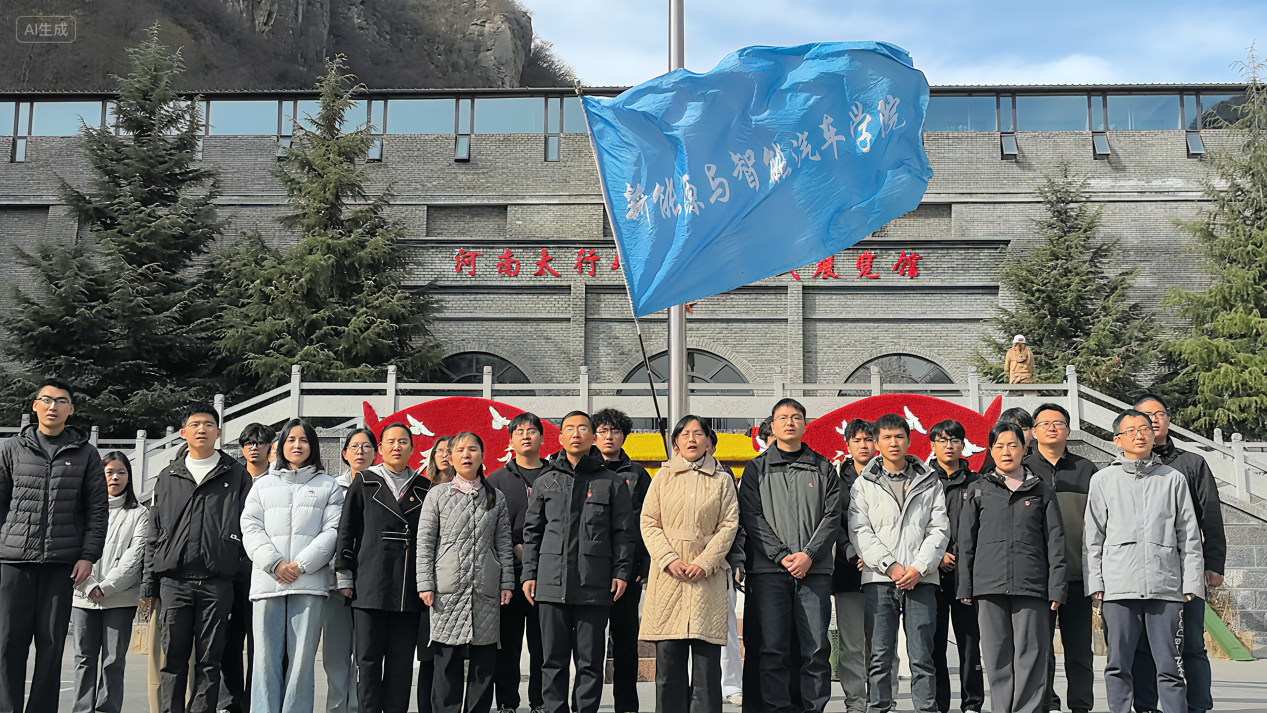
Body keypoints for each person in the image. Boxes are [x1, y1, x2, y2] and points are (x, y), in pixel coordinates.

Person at [1085, 409, 1205, 713]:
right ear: (1117, 440)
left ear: (1154, 436)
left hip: (1165, 587)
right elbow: (1093, 537)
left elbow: (1189, 535)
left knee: (1170, 666)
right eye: (1131, 431)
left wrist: (1191, 582)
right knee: (1118, 664)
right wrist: (1095, 582)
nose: (1139, 435)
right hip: (1118, 588)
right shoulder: (1103, 480)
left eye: (1145, 429)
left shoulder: (1173, 479)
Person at [0, 378, 108, 713]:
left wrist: (88, 555)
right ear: (35, 406)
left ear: (70, 409)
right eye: (46, 399)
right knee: (7, 643)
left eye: (61, 401)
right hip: (13, 562)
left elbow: (97, 508)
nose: (53, 406)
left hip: (62, 564)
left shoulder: (86, 453)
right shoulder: (11, 449)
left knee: (51, 646)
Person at [141, 402, 253, 713]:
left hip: (218, 582)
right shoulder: (168, 476)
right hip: (174, 582)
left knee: (209, 661)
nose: (201, 429)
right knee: (173, 660)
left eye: (208, 424)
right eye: (194, 424)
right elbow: (154, 532)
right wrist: (149, 583)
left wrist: (238, 567)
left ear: (219, 432)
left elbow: (250, 527)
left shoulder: (236, 474)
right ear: (183, 433)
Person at [521, 410, 635, 713]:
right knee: (552, 660)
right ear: (560, 437)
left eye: (583, 428)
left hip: (594, 584)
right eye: (569, 428)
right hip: (550, 583)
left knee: (590, 661)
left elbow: (624, 533)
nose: (576, 434)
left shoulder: (611, 482)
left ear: (593, 437)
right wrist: (529, 574)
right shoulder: (546, 481)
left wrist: (621, 572)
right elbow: (532, 533)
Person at [739, 398, 841, 713]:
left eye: (796, 417)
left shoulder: (823, 467)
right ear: (772, 425)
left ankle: (813, 707)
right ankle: (777, 708)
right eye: (782, 417)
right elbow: (751, 516)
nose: (789, 422)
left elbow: (832, 516)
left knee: (816, 648)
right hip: (770, 573)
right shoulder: (756, 468)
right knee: (773, 648)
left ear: (804, 424)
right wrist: (781, 555)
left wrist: (809, 555)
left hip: (814, 573)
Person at [957, 422, 1066, 713]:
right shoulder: (978, 490)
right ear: (991, 450)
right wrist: (965, 585)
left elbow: (1056, 541)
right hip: (989, 585)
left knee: (1032, 654)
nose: (1006, 451)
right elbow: (966, 542)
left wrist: (1057, 587)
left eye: (1013, 445)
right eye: (1000, 446)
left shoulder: (1041, 490)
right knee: (997, 656)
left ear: (1024, 448)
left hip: (1032, 585)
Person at [241, 418, 345, 713]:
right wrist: (274, 563)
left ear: (313, 446)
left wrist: (300, 565)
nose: (297, 445)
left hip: (309, 584)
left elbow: (333, 531)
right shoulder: (263, 484)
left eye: (304, 440)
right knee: (264, 660)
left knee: (301, 662)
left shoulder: (329, 485)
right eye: (291, 440)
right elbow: (250, 527)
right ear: (280, 445)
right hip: (268, 583)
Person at [1130, 394, 1225, 713]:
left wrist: (1214, 564)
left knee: (1192, 643)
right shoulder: (1125, 467)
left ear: (1169, 419)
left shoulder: (1192, 464)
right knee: (1143, 645)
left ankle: (1197, 706)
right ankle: (1146, 705)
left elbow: (1211, 516)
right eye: (1145, 415)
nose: (1153, 420)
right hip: (1139, 570)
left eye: (1159, 414)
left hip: (1186, 568)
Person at [849, 412, 949, 713]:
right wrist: (890, 566)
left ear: (908, 440)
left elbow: (939, 529)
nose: (893, 443)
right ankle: (879, 707)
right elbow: (859, 530)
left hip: (922, 579)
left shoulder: (928, 480)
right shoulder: (864, 484)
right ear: (877, 443)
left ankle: (926, 708)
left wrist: (919, 567)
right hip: (879, 579)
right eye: (887, 437)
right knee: (880, 655)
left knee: (922, 655)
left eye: (899, 437)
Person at [640, 416, 740, 713]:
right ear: (676, 443)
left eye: (698, 433)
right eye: (685, 434)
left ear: (709, 441)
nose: (692, 439)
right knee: (669, 664)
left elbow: (729, 525)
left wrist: (705, 562)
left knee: (707, 666)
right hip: (669, 577)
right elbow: (648, 522)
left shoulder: (722, 479)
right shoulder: (663, 477)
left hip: (707, 578)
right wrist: (668, 559)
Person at [336, 422, 432, 713]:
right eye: (390, 441)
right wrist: (345, 574)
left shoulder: (424, 487)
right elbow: (347, 529)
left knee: (401, 662)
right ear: (381, 448)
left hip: (408, 587)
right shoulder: (365, 481)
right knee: (367, 660)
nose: (396, 446)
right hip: (369, 583)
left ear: (412, 448)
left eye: (403, 442)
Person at [416, 432, 515, 713]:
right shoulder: (437, 495)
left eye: (472, 449)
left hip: (485, 589)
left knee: (484, 665)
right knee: (446, 663)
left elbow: (503, 542)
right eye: (459, 450)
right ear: (450, 457)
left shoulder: (496, 497)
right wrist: (425, 583)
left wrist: (507, 582)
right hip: (447, 590)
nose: (466, 455)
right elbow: (425, 542)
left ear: (482, 455)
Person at [1023, 403, 1097, 713]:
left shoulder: (1087, 469)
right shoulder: (1023, 469)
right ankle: (1047, 703)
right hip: (1036, 577)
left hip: (1077, 573)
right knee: (1040, 650)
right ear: (1034, 431)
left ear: (1068, 430)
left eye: (1059, 423)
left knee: (1079, 649)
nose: (1052, 427)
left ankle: (1081, 705)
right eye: (1045, 423)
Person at [70, 451, 148, 713]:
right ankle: (82, 710)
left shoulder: (140, 514)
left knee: (113, 660)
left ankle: (107, 709)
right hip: (82, 597)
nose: (115, 477)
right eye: (109, 472)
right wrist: (88, 585)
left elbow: (134, 557)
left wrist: (105, 587)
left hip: (120, 598)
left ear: (129, 477)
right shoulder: (81, 510)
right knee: (84, 659)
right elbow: (72, 548)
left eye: (121, 472)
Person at [486, 414, 548, 713]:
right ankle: (507, 702)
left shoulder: (555, 476)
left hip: (547, 575)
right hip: (508, 576)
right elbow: (488, 525)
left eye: (532, 431)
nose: (526, 436)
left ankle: (541, 701)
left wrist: (537, 554)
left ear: (542, 438)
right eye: (519, 431)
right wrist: (514, 549)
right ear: (510, 439)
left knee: (543, 645)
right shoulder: (496, 479)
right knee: (507, 645)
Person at [593, 408, 653, 713]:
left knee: (626, 642)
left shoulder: (637, 474)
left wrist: (643, 566)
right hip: (590, 572)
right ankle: (586, 704)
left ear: (624, 436)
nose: (608, 437)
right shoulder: (585, 470)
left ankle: (627, 705)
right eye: (602, 431)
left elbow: (649, 522)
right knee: (589, 645)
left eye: (614, 431)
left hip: (627, 572)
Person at [927, 420, 984, 713]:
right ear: (932, 445)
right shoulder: (922, 481)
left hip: (966, 576)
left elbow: (981, 529)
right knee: (934, 643)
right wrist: (937, 555)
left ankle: (972, 703)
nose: (949, 446)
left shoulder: (977, 483)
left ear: (963, 445)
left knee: (969, 643)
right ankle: (939, 703)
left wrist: (958, 556)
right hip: (930, 574)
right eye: (942, 440)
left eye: (954, 440)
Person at [223, 422, 276, 713]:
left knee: (261, 641)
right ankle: (229, 702)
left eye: (260, 442)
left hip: (266, 569)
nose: (254, 448)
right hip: (233, 569)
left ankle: (255, 700)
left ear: (270, 447)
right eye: (248, 443)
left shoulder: (278, 479)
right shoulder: (231, 479)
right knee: (230, 639)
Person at [324, 428, 377, 713]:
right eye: (354, 446)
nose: (360, 451)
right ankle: (336, 708)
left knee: (365, 654)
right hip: (335, 583)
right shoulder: (332, 487)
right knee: (335, 654)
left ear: (375, 453)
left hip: (369, 583)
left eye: (366, 446)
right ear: (344, 454)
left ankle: (358, 707)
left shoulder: (381, 487)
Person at [833, 419, 875, 713]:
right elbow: (832, 522)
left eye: (868, 439)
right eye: (857, 440)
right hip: (848, 572)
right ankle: (856, 702)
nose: (863, 445)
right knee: (851, 644)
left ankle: (882, 699)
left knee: (881, 643)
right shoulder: (835, 479)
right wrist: (850, 553)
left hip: (883, 572)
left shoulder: (889, 476)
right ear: (847, 444)